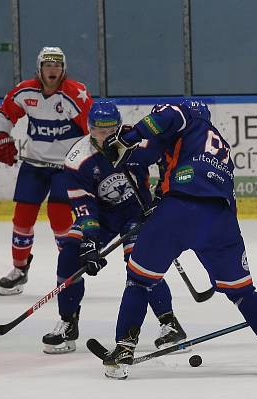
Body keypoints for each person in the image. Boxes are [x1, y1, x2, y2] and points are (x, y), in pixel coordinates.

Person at [98, 99, 257, 379]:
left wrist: (127, 138)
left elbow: (167, 118)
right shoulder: (221, 146)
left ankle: (123, 348)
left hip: (180, 210)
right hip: (222, 221)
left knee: (140, 281)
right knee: (242, 292)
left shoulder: (187, 117)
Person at [41, 100, 187, 355]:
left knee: (140, 265)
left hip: (138, 213)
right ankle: (68, 322)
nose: (105, 136)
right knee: (69, 255)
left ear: (119, 127)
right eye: (99, 130)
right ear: (89, 128)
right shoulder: (78, 159)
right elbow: (83, 203)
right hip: (103, 216)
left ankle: (169, 324)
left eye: (111, 131)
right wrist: (89, 240)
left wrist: (166, 192)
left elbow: (169, 156)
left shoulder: (138, 141)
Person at [0, 46, 93, 296]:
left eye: (57, 65)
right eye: (48, 65)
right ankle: (19, 270)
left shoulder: (74, 94)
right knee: (22, 218)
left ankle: (68, 270)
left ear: (63, 69)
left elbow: (93, 128)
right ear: (40, 68)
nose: (53, 69)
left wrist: (92, 160)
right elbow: (5, 112)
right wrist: (2, 134)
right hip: (35, 165)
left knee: (60, 219)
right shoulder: (26, 91)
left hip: (66, 167)